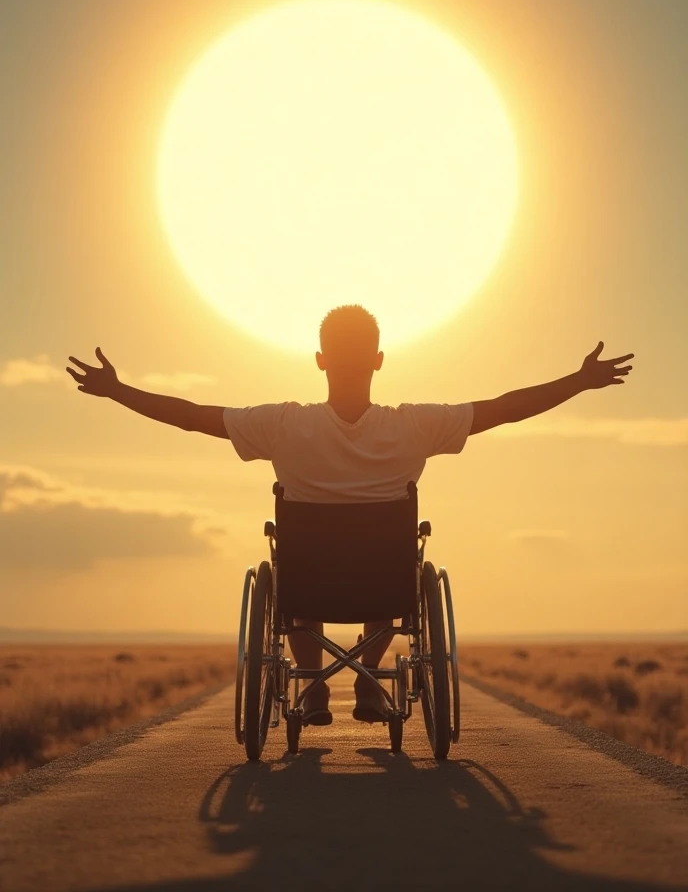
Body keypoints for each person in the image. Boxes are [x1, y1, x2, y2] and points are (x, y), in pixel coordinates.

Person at [66, 304, 633, 725]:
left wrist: (118, 392)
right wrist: (579, 382)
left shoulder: (282, 424)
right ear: (380, 360)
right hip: (384, 590)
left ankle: (313, 688)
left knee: (297, 566)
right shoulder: (415, 426)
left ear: (319, 360)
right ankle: (366, 686)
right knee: (398, 567)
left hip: (304, 587)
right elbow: (504, 409)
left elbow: (193, 416)